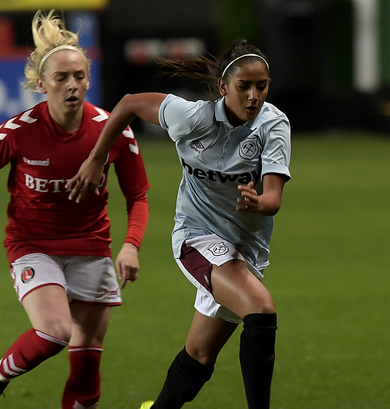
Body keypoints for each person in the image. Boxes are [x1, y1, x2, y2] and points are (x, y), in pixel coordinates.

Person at [0, 10, 150, 409]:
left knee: (88, 356)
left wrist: (131, 245)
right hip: (32, 243)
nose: (73, 85)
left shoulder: (114, 130)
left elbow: (137, 195)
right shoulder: (17, 132)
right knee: (55, 332)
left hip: (91, 244)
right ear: (41, 84)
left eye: (80, 76)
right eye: (62, 78)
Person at [67, 38, 291, 409]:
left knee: (200, 355)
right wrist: (96, 157)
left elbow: (273, 200)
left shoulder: (273, 124)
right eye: (244, 86)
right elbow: (127, 104)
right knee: (261, 309)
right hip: (196, 237)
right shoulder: (192, 117)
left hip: (246, 249)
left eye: (262, 86)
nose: (254, 96)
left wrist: (257, 202)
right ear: (223, 88)